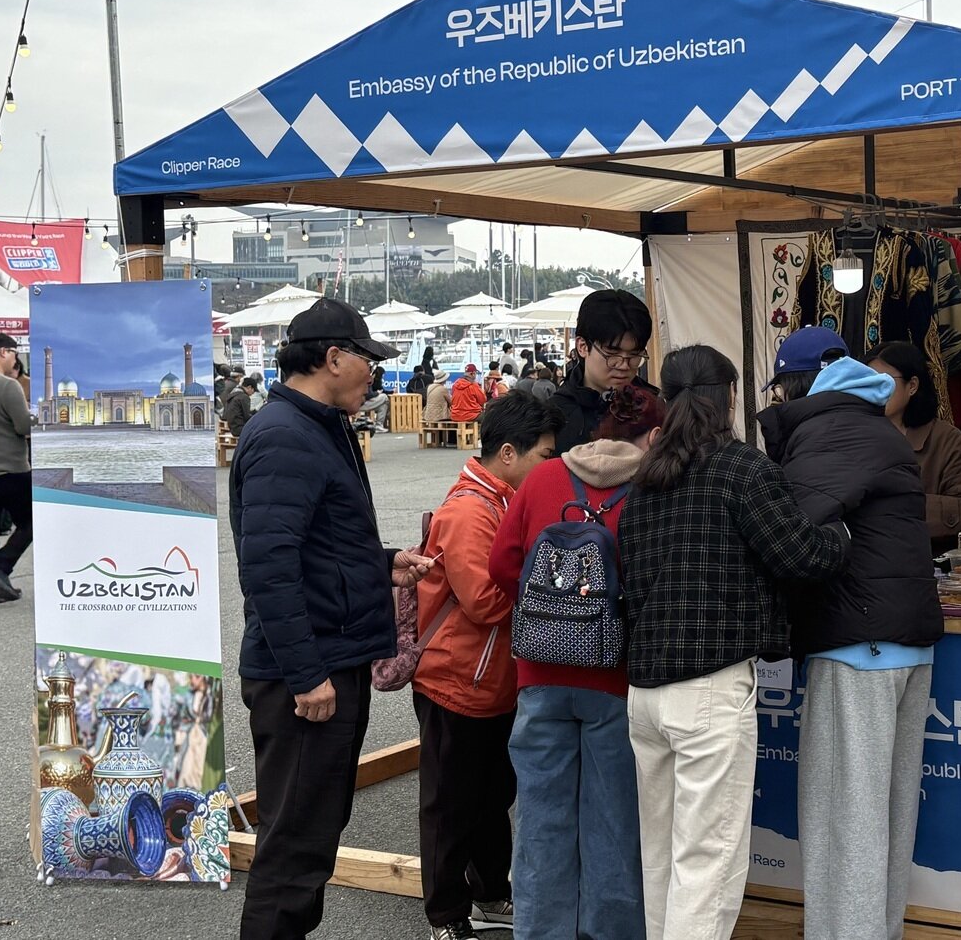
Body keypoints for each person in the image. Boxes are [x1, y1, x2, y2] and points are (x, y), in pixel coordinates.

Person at [617, 345, 850, 940]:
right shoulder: (742, 469)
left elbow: (634, 584)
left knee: (663, 856)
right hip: (709, 692)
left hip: (645, 692)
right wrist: (843, 530)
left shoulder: (645, 479)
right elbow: (801, 555)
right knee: (708, 864)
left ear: (666, 402)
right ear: (729, 398)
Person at [230, 298, 434, 939]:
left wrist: (381, 564)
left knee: (311, 835)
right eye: (367, 359)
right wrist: (305, 674)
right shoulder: (286, 435)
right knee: (294, 846)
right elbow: (268, 567)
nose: (374, 372)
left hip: (327, 657)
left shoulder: (318, 426)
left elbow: (318, 544)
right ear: (332, 357)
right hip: (306, 671)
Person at [759, 327, 941, 940]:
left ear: (798, 383)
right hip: (899, 643)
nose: (779, 398)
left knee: (847, 826)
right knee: (881, 826)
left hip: (859, 647)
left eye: (782, 386)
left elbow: (790, 532)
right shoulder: (870, 425)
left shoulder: (830, 429)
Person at [490, 384, 667, 940]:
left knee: (541, 820)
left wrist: (550, 613)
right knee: (612, 822)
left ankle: (539, 931)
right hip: (614, 679)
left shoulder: (543, 478)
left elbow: (500, 564)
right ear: (654, 435)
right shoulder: (651, 487)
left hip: (539, 675)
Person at [413, 391, 563, 940]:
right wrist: (551, 595)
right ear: (508, 452)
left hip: (490, 680)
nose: (552, 464)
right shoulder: (469, 509)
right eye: (545, 454)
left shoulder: (500, 499)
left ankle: (490, 894)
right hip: (455, 678)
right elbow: (484, 600)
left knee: (490, 799)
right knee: (450, 805)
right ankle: (446, 914)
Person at [865, 341, 961, 554]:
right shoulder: (854, 435)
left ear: (912, 385)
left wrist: (902, 507)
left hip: (930, 564)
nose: (874, 389)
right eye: (867, 381)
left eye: (883, 381)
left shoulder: (945, 440)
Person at [550, 289, 654, 455]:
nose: (624, 365)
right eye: (612, 354)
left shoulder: (654, 407)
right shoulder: (553, 415)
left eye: (634, 355)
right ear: (583, 347)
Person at [0, 334, 31, 604]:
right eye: (15, 354)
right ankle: (0, 568)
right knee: (32, 522)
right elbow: (23, 427)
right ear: (4, 352)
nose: (16, 359)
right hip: (11, 471)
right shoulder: (7, 386)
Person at [357, 363, 391, 431]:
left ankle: (379, 425)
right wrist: (377, 393)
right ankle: (387, 417)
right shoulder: (366, 381)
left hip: (365, 402)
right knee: (384, 397)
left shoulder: (368, 380)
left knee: (383, 405)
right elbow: (368, 395)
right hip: (361, 403)